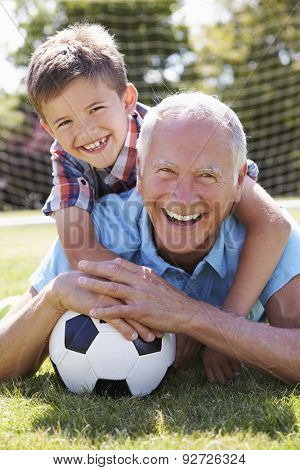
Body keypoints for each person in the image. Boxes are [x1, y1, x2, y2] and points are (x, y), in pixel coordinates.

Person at [24, 23, 291, 381]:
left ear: (128, 100)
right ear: (49, 129)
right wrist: (152, 303)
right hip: (134, 242)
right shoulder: (67, 162)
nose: (85, 131)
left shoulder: (171, 131)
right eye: (66, 121)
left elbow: (271, 222)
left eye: (95, 109)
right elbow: (82, 251)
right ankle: (20, 306)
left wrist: (227, 321)